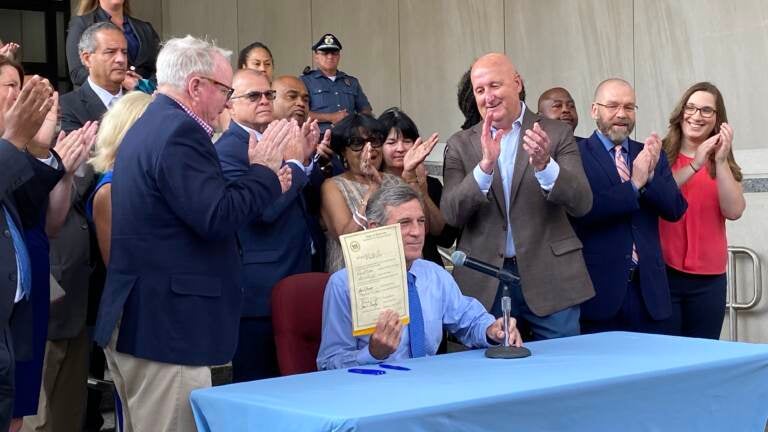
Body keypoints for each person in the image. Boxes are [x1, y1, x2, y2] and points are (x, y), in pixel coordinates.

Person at [92, 35, 288, 432]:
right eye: (224, 90)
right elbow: (216, 215)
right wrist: (265, 173)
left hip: (152, 324)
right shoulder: (179, 132)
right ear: (196, 86)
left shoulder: (152, 123)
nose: (227, 102)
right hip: (170, 332)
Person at [441, 53, 593, 340]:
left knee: (565, 370)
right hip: (485, 279)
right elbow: (451, 213)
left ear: (517, 83)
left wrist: (546, 166)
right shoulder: (461, 144)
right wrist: (484, 167)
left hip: (552, 277)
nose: (488, 97)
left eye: (495, 86)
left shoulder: (556, 133)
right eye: (480, 90)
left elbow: (582, 202)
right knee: (492, 374)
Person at [317, 184, 523, 370]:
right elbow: (328, 363)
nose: (417, 232)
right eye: (404, 223)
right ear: (375, 228)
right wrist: (371, 354)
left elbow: (470, 322)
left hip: (429, 387)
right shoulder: (344, 284)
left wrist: (492, 330)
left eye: (421, 221)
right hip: (375, 392)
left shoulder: (434, 275)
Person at [216, 69, 319, 382]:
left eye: (268, 94)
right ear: (229, 105)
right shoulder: (226, 151)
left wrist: (308, 158)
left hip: (298, 275)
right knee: (261, 386)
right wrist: (298, 165)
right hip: (259, 295)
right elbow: (261, 212)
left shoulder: (283, 139)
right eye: (253, 96)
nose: (264, 101)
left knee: (302, 386)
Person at [570, 78, 687, 334]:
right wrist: (633, 185)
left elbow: (675, 209)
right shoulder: (576, 156)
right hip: (600, 294)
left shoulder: (648, 153)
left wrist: (653, 174)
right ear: (594, 110)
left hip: (649, 294)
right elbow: (583, 211)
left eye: (629, 107)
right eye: (612, 106)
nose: (621, 114)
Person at [0, 63, 66, 430]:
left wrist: (39, 147)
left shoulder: (9, 152)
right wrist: (13, 143)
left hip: (14, 323)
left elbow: (27, 211)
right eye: (10, 86)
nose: (19, 97)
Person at [659, 82, 745, 339]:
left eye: (706, 111)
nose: (697, 116)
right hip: (664, 274)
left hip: (709, 280)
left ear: (718, 120)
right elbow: (657, 195)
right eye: (691, 108)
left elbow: (734, 210)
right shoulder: (659, 154)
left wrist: (718, 161)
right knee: (666, 357)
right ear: (681, 112)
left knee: (703, 355)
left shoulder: (724, 162)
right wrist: (695, 165)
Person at [320, 113, 402, 273]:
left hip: (391, 272)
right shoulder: (332, 186)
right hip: (350, 275)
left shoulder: (396, 182)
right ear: (343, 151)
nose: (369, 148)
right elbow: (348, 240)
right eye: (358, 143)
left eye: (375, 141)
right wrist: (371, 191)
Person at [378, 108, 459, 266]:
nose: (400, 148)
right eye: (391, 142)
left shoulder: (431, 184)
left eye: (407, 141)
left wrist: (421, 187)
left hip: (427, 265)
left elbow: (444, 236)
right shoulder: (371, 185)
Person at [66, 0, 159, 88]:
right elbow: (77, 73)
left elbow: (162, 68)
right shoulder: (82, 24)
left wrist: (144, 85)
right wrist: (122, 80)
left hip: (144, 99)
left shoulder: (145, 28)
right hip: (103, 100)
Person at [60, 22, 127, 133]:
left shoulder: (141, 101)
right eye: (110, 52)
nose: (121, 59)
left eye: (124, 52)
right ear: (87, 59)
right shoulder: (66, 106)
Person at [301, 33, 372, 133]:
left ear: (339, 56)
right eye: (325, 53)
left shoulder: (351, 82)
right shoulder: (305, 81)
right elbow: (300, 114)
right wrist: (331, 117)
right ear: (316, 56)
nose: (330, 57)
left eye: (334, 53)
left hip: (349, 139)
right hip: (318, 139)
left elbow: (365, 110)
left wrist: (355, 122)